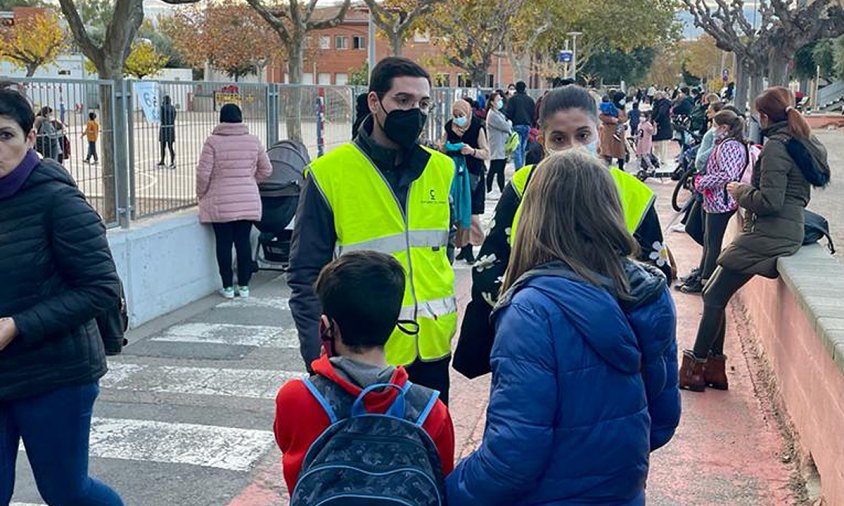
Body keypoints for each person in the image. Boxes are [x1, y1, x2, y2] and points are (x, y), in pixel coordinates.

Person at [446, 150, 680, 506]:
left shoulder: (530, 311)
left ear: (536, 216)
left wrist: (448, 490)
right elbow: (662, 419)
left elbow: (511, 457)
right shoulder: (650, 293)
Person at [454, 85, 673, 379]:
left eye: (582, 135)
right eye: (559, 139)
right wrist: (526, 318)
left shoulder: (634, 194)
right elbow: (490, 266)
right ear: (542, 141)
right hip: (530, 351)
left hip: (609, 363)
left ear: (598, 134)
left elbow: (653, 283)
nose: (572, 147)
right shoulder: (522, 186)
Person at [288, 57, 458, 403]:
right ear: (374, 102)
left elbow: (442, 251)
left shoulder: (442, 169)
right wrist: (316, 357)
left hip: (433, 351)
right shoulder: (329, 174)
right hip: (359, 360)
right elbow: (306, 273)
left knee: (431, 452)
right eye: (403, 100)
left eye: (423, 103)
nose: (415, 111)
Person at [0, 87, 124, 505]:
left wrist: (18, 325)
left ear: (31, 137)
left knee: (67, 492)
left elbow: (101, 288)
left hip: (55, 375)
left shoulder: (57, 199)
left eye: (5, 136)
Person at [679, 87, 831, 392]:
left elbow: (770, 202)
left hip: (770, 233)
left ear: (762, 116)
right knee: (714, 292)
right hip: (784, 231)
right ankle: (712, 368)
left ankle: (697, 368)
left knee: (713, 294)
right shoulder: (804, 140)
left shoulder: (777, 146)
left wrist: (740, 191)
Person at [274, 251, 455, 493]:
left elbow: (296, 476)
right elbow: (441, 481)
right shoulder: (431, 410)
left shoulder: (296, 398)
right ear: (394, 325)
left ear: (327, 327)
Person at [196, 103, 272, 299]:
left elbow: (203, 174)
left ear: (221, 119)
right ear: (240, 118)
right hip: (247, 199)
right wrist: (249, 182)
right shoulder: (253, 141)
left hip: (220, 201)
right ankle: (245, 286)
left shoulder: (212, 142)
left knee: (223, 243)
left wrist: (201, 193)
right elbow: (267, 169)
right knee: (243, 242)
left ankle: (228, 287)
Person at [679, 110, 748, 295]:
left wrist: (702, 182)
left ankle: (706, 280)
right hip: (714, 200)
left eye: (715, 125)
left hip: (721, 201)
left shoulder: (731, 146)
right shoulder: (725, 144)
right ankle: (702, 273)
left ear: (724, 127)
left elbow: (728, 175)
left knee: (713, 241)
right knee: (709, 240)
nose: (713, 129)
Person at [441, 99, 490, 263]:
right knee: (457, 211)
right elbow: (441, 146)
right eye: (455, 115)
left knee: (471, 212)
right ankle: (463, 247)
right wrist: (445, 147)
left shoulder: (477, 127)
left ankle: (473, 246)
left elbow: (485, 152)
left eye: (461, 115)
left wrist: (472, 151)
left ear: (467, 113)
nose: (458, 119)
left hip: (473, 174)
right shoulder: (449, 127)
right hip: (454, 174)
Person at [504, 81, 536, 169]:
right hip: (527, 126)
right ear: (525, 88)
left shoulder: (513, 99)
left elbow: (509, 113)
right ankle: (521, 165)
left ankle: (518, 168)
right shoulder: (530, 100)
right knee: (523, 147)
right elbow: (533, 113)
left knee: (517, 148)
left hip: (516, 125)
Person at [485, 91, 512, 193]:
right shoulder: (492, 115)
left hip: (501, 145)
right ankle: (491, 189)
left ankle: (500, 190)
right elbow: (505, 126)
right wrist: (509, 123)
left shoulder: (498, 113)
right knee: (495, 169)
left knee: (500, 169)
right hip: (496, 145)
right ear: (492, 102)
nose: (500, 101)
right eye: (498, 100)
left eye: (501, 99)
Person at [599, 91, 629, 170]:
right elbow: (601, 116)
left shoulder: (622, 107)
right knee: (608, 149)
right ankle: (607, 167)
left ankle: (621, 167)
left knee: (620, 150)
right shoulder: (609, 107)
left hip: (618, 132)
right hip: (609, 131)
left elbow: (625, 117)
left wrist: (619, 120)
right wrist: (612, 119)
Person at [652, 91, 674, 167]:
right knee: (659, 145)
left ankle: (662, 160)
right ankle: (656, 159)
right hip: (661, 126)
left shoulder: (663, 104)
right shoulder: (661, 103)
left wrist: (655, 120)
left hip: (661, 126)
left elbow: (661, 113)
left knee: (662, 145)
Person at [158, 95, 177, 169]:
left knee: (163, 146)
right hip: (171, 128)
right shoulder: (173, 108)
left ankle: (162, 160)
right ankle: (172, 161)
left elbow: (160, 117)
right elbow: (174, 117)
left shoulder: (162, 107)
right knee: (170, 146)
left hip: (164, 128)